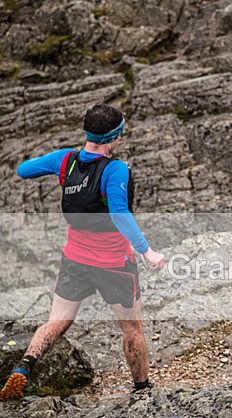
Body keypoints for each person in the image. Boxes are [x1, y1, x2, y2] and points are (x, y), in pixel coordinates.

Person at [0, 104, 165, 401]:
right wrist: (147, 251)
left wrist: (55, 163)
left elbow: (23, 171)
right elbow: (119, 214)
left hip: (74, 259)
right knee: (132, 329)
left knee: (59, 320)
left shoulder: (66, 160)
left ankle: (26, 365)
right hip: (114, 264)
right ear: (116, 136)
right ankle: (142, 389)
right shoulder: (115, 170)